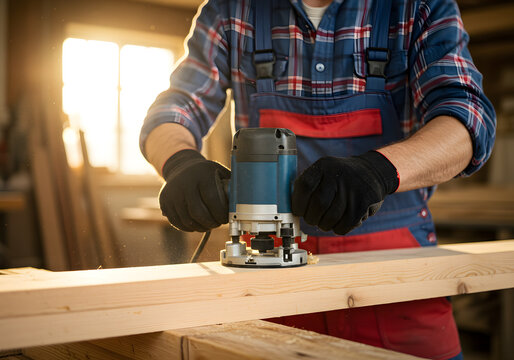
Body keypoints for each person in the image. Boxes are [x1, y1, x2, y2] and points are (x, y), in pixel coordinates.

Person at [140, 0, 496, 359]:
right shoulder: (232, 10)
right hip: (269, 278)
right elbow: (174, 108)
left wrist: (379, 171)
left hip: (395, 281)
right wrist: (180, 162)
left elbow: (467, 122)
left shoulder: (418, 6)